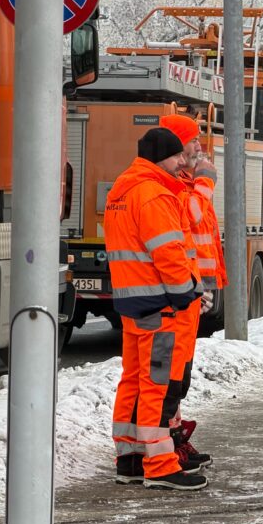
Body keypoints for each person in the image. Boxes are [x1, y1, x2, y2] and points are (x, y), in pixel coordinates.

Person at [106, 128, 207, 491]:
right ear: (160, 157)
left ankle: (131, 459)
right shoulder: (154, 195)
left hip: (132, 302)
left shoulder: (122, 190)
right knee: (156, 384)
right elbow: (168, 253)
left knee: (133, 380)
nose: (182, 162)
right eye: (176, 156)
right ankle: (160, 465)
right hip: (160, 304)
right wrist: (186, 294)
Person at [159, 113, 224, 469]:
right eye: (193, 138)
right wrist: (205, 183)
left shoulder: (184, 180)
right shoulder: (178, 184)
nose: (200, 145)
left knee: (179, 373)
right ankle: (167, 445)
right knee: (172, 374)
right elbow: (192, 217)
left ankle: (176, 437)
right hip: (180, 288)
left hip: (192, 286)